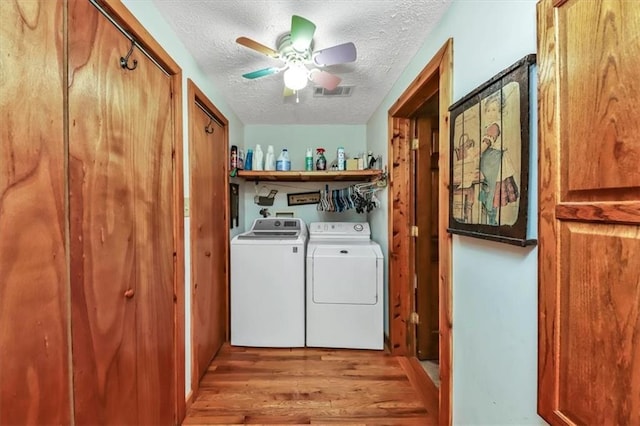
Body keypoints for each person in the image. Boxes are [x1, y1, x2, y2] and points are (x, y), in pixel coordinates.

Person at [479, 94, 519, 225]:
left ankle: (491, 218)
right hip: (489, 161)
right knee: (488, 188)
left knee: (493, 189)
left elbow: (486, 143)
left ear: (499, 111)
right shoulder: (490, 125)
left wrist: (475, 152)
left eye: (494, 110)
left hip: (494, 162)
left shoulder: (494, 126)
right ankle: (488, 213)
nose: (491, 113)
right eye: (489, 110)